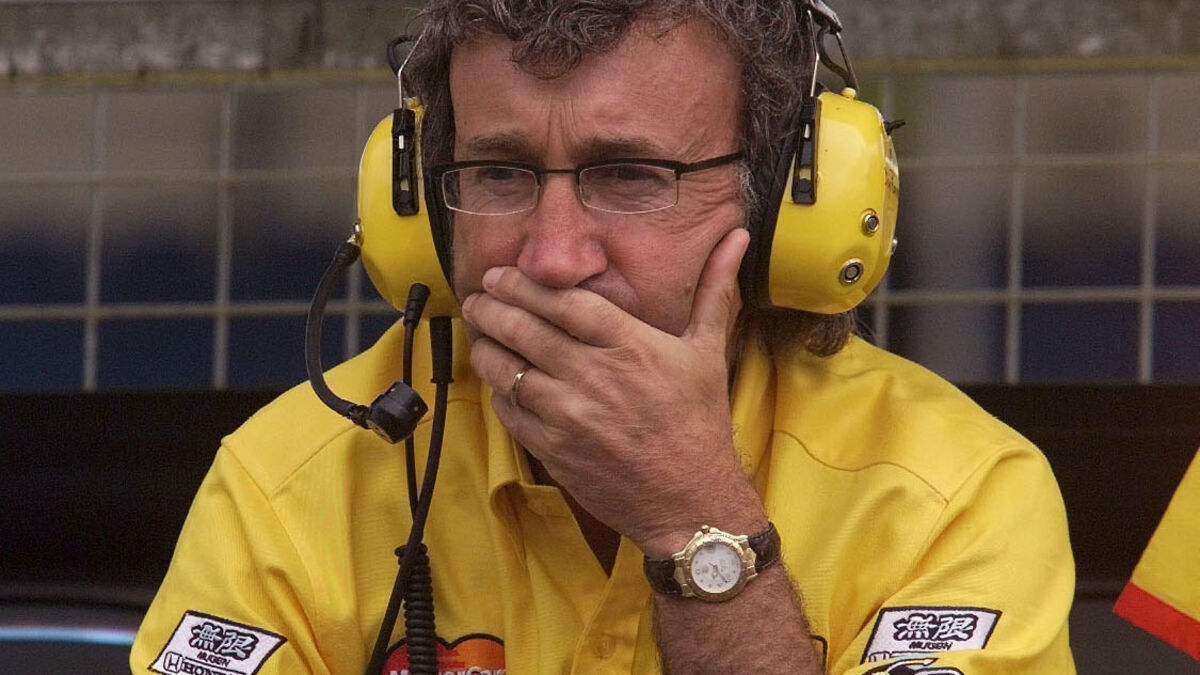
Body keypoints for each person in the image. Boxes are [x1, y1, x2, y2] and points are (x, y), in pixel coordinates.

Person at [130, 1, 1076, 673]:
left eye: (629, 175)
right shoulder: (290, 483)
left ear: (788, 204)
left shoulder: (955, 494)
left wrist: (694, 524)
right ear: (418, 206)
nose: (552, 257)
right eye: (500, 173)